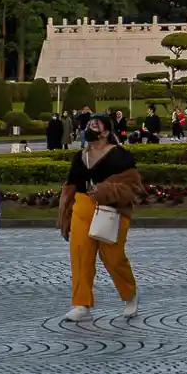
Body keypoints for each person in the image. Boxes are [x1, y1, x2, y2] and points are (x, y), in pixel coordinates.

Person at [57, 113, 142, 322]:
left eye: (95, 125)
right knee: (80, 256)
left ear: (105, 131)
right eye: (88, 125)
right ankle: (81, 303)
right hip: (82, 207)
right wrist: (65, 214)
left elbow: (132, 187)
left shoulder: (120, 155)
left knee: (113, 257)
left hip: (111, 210)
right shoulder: (79, 157)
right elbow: (70, 188)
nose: (90, 128)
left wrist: (105, 190)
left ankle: (129, 295)